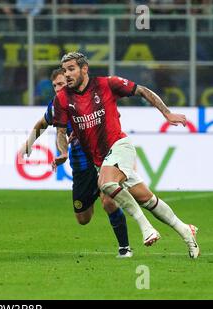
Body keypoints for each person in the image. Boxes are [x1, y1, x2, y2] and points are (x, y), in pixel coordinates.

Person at [51, 52, 200, 258]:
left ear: (84, 69)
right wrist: (62, 151)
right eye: (65, 70)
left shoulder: (107, 84)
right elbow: (60, 132)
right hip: (99, 159)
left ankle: (146, 228)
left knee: (106, 184)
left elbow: (143, 91)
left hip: (120, 145)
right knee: (147, 199)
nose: (67, 74)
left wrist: (167, 113)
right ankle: (186, 231)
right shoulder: (62, 99)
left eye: (71, 69)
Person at [20, 68, 132, 258]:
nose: (57, 89)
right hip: (80, 167)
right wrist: (29, 143)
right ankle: (99, 191)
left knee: (108, 202)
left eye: (61, 84)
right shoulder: (57, 105)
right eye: (54, 85)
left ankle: (125, 248)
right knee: (83, 218)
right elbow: (42, 124)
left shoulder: (90, 98)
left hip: (102, 158)